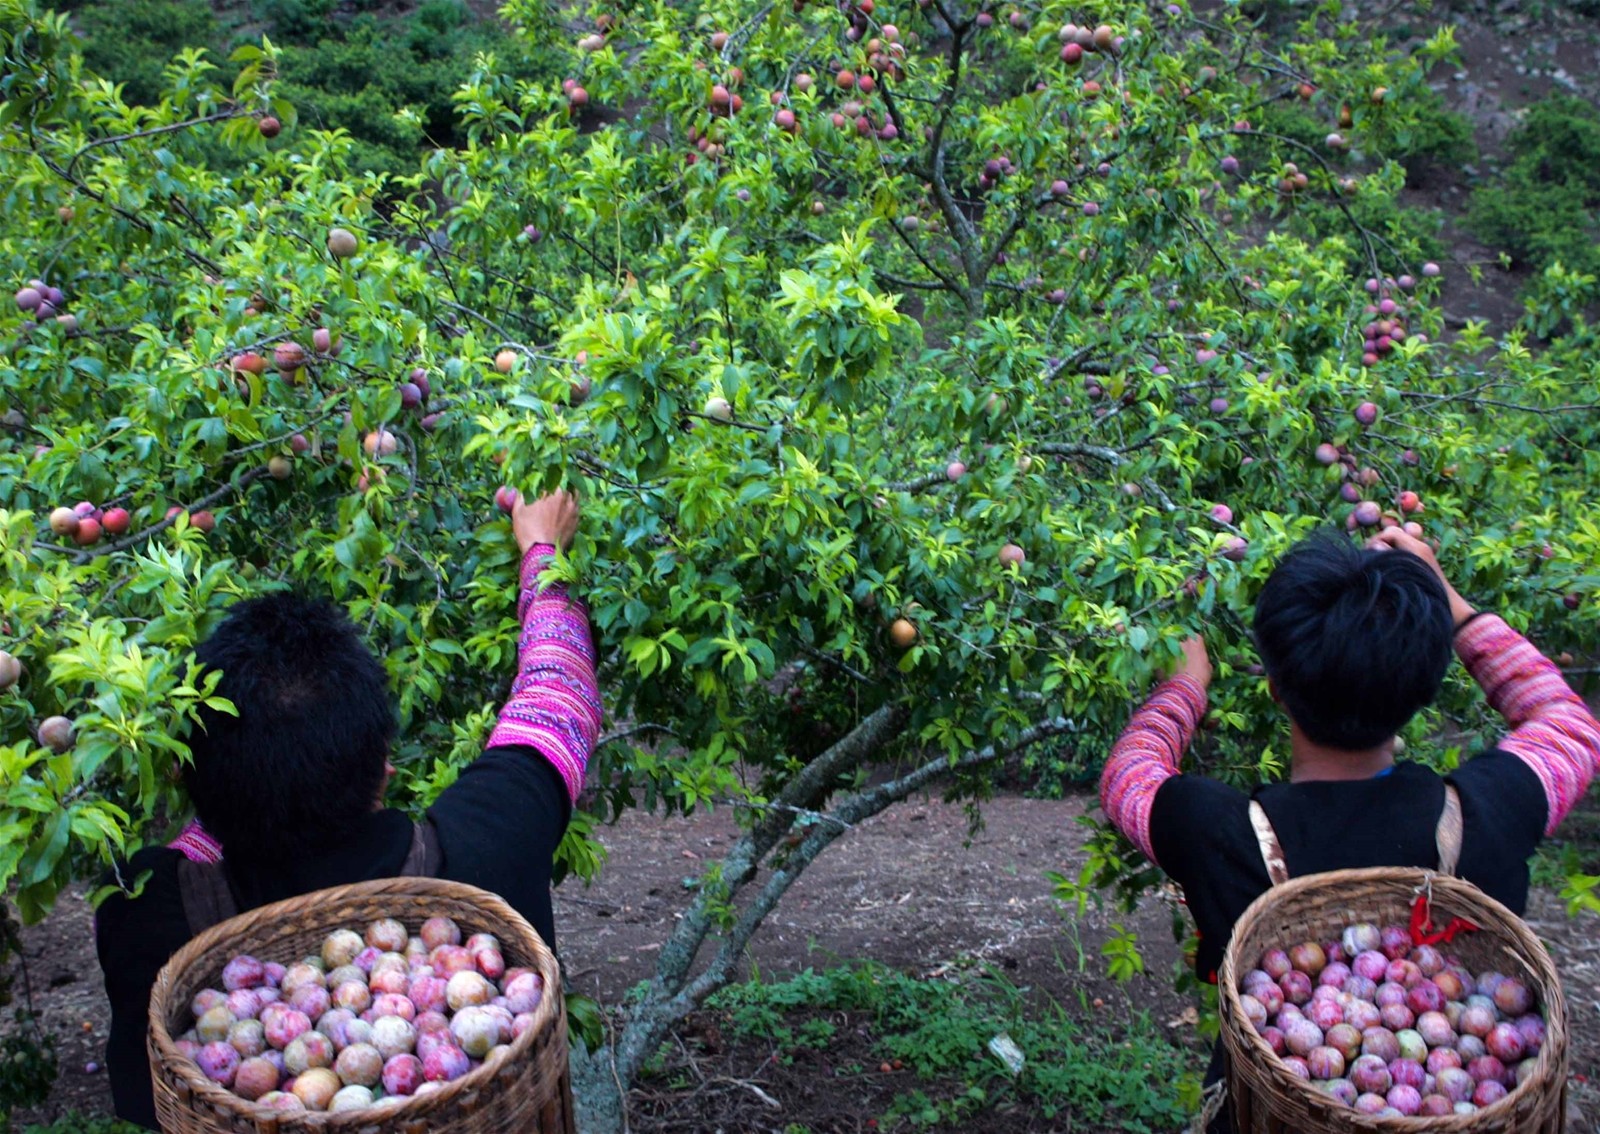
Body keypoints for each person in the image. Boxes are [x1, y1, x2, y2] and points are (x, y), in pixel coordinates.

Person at [93, 490, 598, 1129]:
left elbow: (200, 841)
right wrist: (541, 552)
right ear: (384, 763)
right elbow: (558, 697)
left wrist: (212, 774)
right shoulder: (487, 843)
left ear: (188, 780)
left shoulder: (146, 909)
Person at [1099, 527, 1598, 1125]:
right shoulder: (1492, 812)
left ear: (1276, 689)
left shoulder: (1217, 832)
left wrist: (1185, 685)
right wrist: (1453, 609)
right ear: (1427, 686)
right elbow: (1567, 723)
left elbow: (1129, 775)